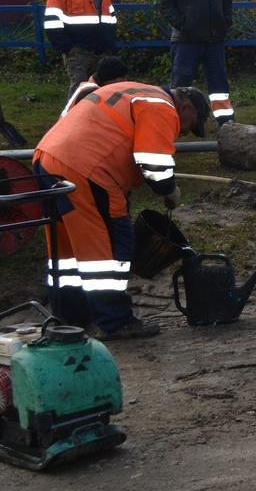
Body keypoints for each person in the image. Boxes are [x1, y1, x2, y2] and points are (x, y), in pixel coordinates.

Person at [33, 82, 210, 339]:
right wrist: (169, 190)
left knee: (67, 247)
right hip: (87, 169)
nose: (183, 133)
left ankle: (71, 319)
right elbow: (154, 162)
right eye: (189, 125)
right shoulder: (161, 106)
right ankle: (114, 322)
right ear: (184, 106)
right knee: (110, 250)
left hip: (47, 159)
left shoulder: (130, 90)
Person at [157, 0, 236, 126]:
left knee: (219, 85)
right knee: (181, 85)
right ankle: (174, 121)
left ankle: (225, 121)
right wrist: (182, 24)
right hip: (186, 39)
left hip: (214, 38)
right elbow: (164, 3)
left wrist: (226, 21)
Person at [43, 0, 118, 98]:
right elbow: (52, 19)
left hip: (100, 47)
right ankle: (73, 119)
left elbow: (110, 13)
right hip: (77, 49)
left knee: (102, 89)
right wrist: (67, 47)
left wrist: (109, 41)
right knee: (80, 89)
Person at [60, 54, 128, 117]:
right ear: (115, 79)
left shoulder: (91, 88)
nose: (125, 82)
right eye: (122, 79)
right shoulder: (91, 94)